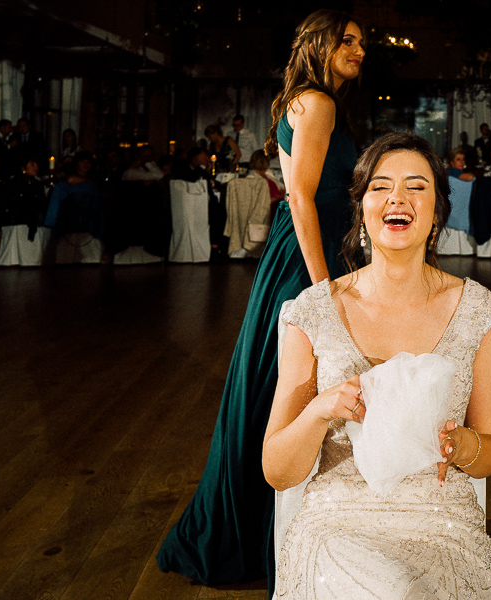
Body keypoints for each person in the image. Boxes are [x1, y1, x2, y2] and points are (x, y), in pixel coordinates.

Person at [157, 9, 365, 590]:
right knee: (295, 389)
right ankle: (281, 537)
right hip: (307, 257)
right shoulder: (317, 103)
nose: (359, 50)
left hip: (301, 251)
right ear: (319, 46)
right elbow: (301, 198)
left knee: (281, 388)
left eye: (361, 43)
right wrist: (323, 288)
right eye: (348, 41)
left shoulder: (307, 100)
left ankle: (270, 531)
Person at [264, 131, 491, 599]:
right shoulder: (314, 311)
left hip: (439, 523)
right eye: (381, 186)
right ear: (362, 209)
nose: (398, 197)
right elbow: (277, 470)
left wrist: (463, 445)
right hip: (336, 522)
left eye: (416, 187)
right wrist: (320, 410)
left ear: (436, 213)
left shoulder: (476, 311)